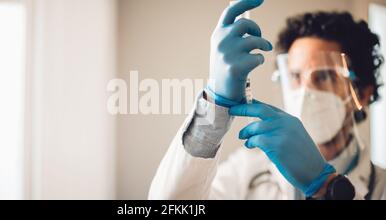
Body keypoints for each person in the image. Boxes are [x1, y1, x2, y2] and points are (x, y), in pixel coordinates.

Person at [148, 0, 386, 200]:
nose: (305, 91)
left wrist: (327, 187)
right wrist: (213, 104)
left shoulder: (382, 187)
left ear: (362, 94)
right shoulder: (246, 172)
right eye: (294, 76)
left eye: (323, 76)